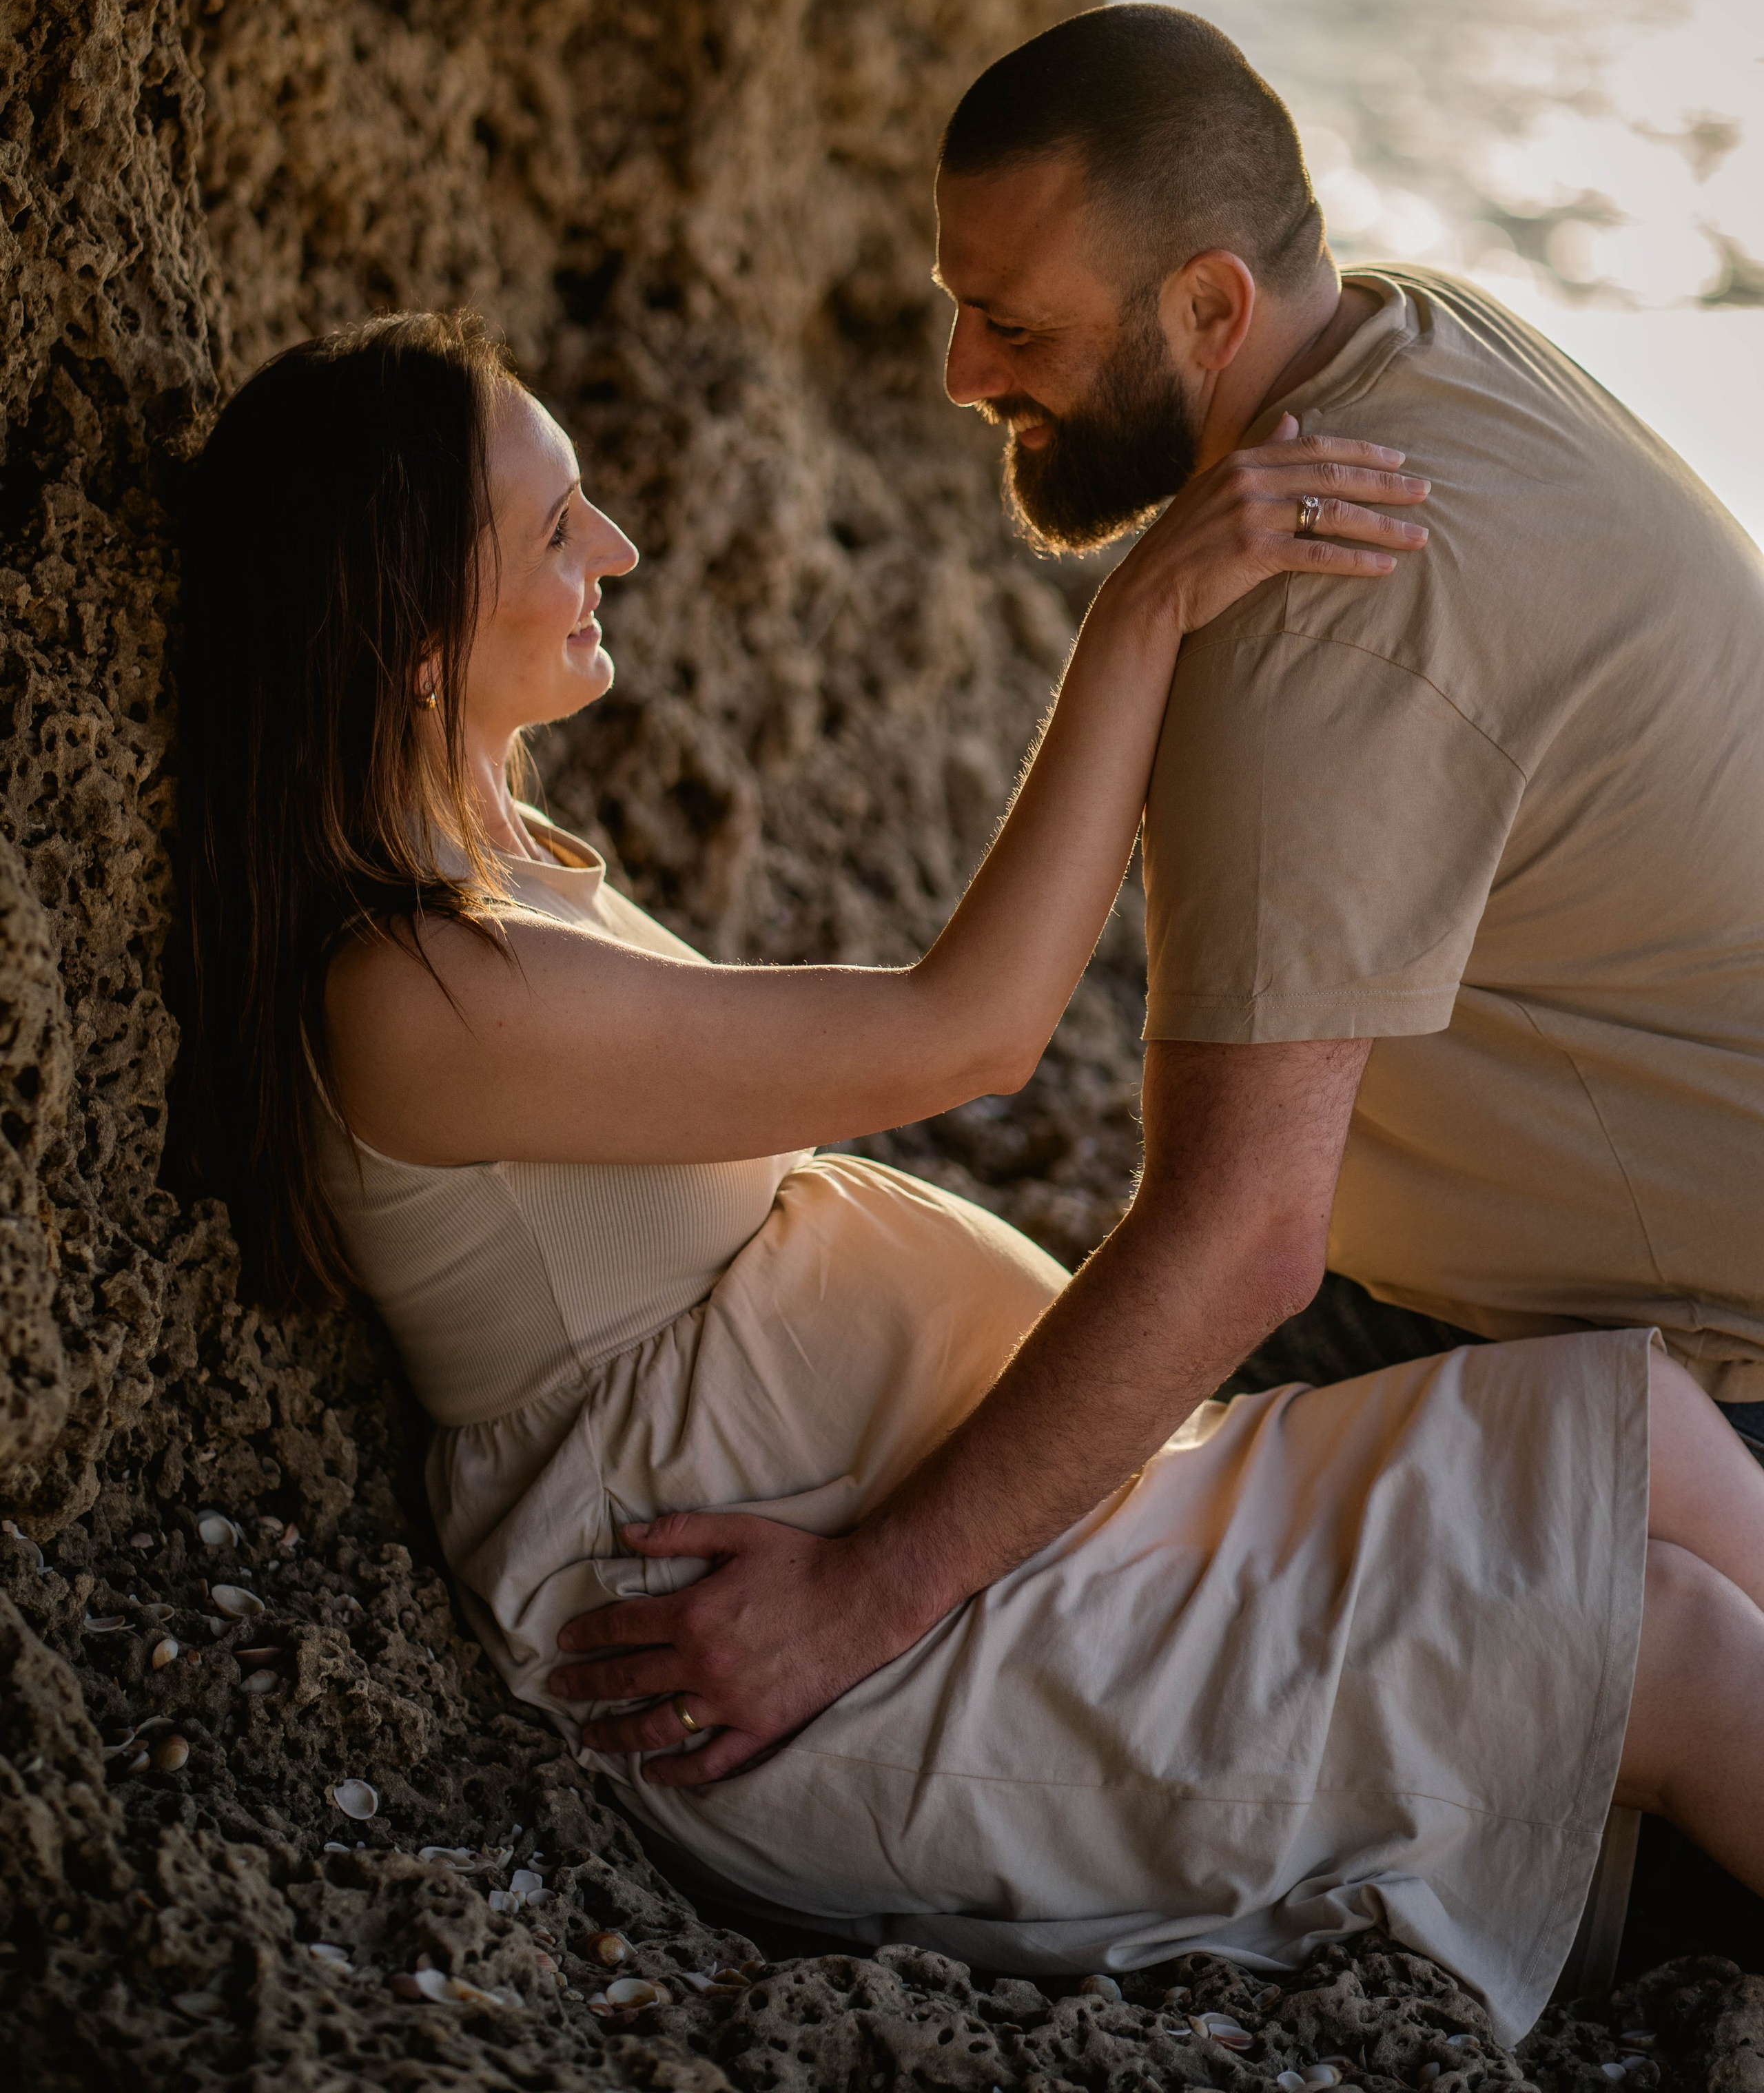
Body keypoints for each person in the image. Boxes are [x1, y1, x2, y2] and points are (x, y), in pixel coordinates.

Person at [181, 313, 1764, 2048]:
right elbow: (975, 1032)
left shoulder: (507, 874)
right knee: (1668, 1651)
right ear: (411, 640)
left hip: (990, 1520)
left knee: (1647, 1427)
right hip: (835, 1652)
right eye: (558, 528)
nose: (615, 551)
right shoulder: (408, 996)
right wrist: (1143, 608)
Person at [553, 6, 1764, 1865]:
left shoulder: (1328, 617)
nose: (961, 372)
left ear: (1211, 307)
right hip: (1560, 1294)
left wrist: (859, 1600)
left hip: (1714, 1391)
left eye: (1017, 324)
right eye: (964, 306)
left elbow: (1238, 1241)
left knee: (1033, 1658)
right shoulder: (1414, 336)